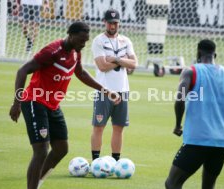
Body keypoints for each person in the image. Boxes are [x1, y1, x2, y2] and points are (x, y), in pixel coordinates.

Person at [9, 22, 120, 189]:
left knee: (61, 148)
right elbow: (22, 71)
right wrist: (16, 103)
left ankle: (36, 183)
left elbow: (81, 73)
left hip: (53, 105)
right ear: (70, 34)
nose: (83, 44)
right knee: (41, 150)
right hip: (34, 101)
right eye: (81, 40)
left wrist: (106, 91)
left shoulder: (76, 52)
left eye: (86, 41)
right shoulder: (52, 51)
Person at [165, 39, 224, 189]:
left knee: (172, 183)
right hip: (221, 142)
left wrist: (178, 124)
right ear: (215, 54)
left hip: (197, 140)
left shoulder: (191, 71)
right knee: (208, 186)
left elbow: (180, 99)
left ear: (198, 53)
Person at [90, 8, 138, 161]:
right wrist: (123, 60)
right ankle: (96, 161)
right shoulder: (98, 40)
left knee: (119, 128)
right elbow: (102, 66)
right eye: (110, 23)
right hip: (104, 91)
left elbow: (134, 64)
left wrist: (116, 59)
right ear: (104, 22)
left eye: (116, 23)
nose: (113, 26)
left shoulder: (126, 40)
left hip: (123, 91)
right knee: (99, 127)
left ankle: (116, 161)